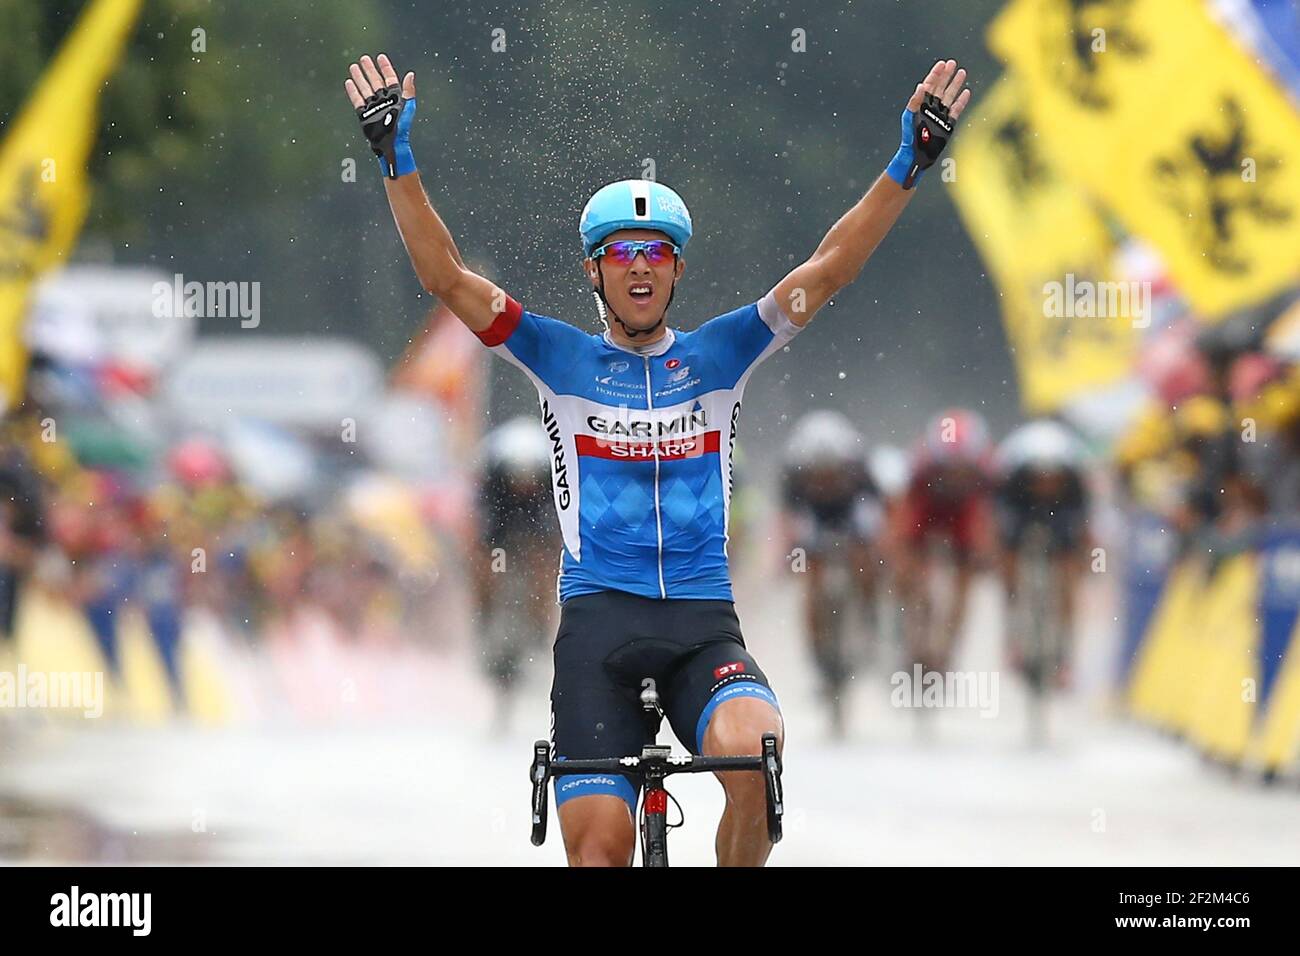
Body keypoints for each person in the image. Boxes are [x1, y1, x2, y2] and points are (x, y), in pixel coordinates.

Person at [345, 52, 971, 866]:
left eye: (656, 251)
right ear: (594, 271)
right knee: (599, 851)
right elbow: (443, 277)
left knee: (756, 754)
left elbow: (832, 268)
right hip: (599, 629)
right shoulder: (554, 356)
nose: (639, 264)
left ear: (677, 268)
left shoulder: (724, 353)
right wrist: (396, 158)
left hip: (702, 626)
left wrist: (908, 163)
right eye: (620, 251)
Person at [780, 410, 882, 735]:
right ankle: (818, 650)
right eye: (817, 475)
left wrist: (873, 557)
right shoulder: (793, 476)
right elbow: (788, 521)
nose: (824, 480)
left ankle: (868, 612)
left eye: (831, 474)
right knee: (810, 580)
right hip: (815, 519)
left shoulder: (859, 470)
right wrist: (792, 556)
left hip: (849, 515)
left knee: (865, 560)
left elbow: (876, 512)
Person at [889, 408, 996, 675]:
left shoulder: (986, 471)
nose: (955, 476)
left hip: (963, 514)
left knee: (966, 577)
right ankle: (912, 628)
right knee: (907, 569)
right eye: (949, 469)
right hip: (927, 510)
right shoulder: (921, 468)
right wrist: (900, 562)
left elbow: (988, 517)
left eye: (962, 471)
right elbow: (902, 517)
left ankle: (948, 647)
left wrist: (985, 553)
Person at [473, 416, 561, 727]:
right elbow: (484, 531)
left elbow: (553, 533)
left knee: (544, 564)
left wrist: (545, 565)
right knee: (484, 564)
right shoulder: (495, 477)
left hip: (538, 520)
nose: (523, 486)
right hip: (501, 523)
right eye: (518, 481)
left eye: (528, 482)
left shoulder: (546, 476)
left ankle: (540, 624)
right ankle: (483, 615)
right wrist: (488, 571)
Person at [994, 418, 1091, 688]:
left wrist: (1084, 558)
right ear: (1027, 474)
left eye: (1052, 478)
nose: (1045, 485)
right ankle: (1014, 632)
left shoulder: (1073, 478)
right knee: (1009, 558)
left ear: (1063, 474)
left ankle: (1063, 654)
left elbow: (1085, 523)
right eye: (1039, 478)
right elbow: (999, 521)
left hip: (1062, 509)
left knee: (1068, 574)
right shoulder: (1014, 473)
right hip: (1021, 507)